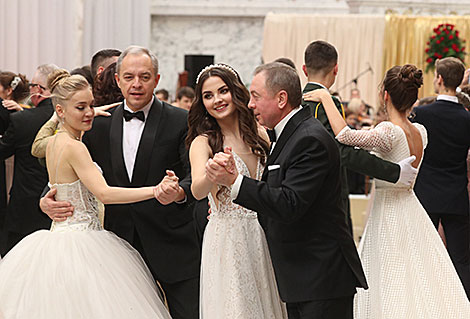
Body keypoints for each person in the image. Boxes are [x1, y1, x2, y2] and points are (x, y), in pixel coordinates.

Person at [40, 46, 200, 319]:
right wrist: (46, 199)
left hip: (172, 243)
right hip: (116, 248)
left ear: (157, 80)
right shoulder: (95, 123)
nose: (136, 84)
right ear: (117, 80)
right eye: (129, 77)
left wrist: (179, 192)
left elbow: (192, 174)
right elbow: (71, 172)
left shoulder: (180, 120)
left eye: (145, 77)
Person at [0, 69, 171, 318]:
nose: (90, 112)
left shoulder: (54, 142)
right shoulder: (75, 147)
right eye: (81, 107)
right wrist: (155, 190)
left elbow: (44, 150)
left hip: (57, 237)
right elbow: (105, 194)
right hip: (83, 242)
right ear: (60, 111)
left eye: (91, 105)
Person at [304, 64, 470, 318]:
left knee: (389, 274)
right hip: (412, 207)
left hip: (389, 210)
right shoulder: (420, 133)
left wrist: (326, 97)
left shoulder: (389, 131)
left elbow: (344, 135)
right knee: (418, 274)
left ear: (385, 96)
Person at [207, 62, 367, 319]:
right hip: (302, 277)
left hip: (320, 277)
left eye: (256, 96)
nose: (250, 105)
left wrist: (235, 182)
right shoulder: (288, 134)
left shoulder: (308, 139)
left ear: (281, 99)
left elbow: (290, 203)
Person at [187, 63, 286, 318]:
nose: (217, 100)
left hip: (265, 232)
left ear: (236, 91)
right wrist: (212, 172)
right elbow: (197, 191)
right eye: (208, 96)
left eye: (223, 91)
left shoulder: (261, 135)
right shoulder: (204, 142)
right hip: (228, 238)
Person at [301, 40, 417, 232]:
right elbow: (340, 152)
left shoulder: (296, 100)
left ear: (305, 69)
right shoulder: (327, 103)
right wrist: (393, 172)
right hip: (328, 194)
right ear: (336, 69)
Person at [412, 57, 470, 298]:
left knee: (423, 255)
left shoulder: (422, 113)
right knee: (462, 259)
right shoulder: (467, 117)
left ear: (440, 79)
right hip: (456, 195)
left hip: (427, 193)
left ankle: (426, 299)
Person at [0, 64, 60, 256]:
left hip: (24, 207)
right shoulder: (69, 118)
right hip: (61, 204)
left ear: (38, 89)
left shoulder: (22, 120)